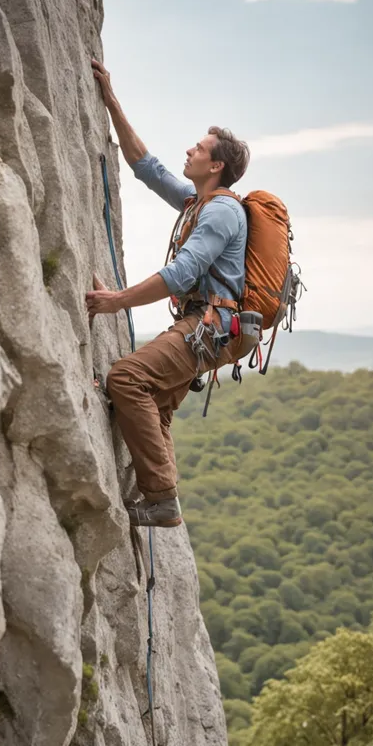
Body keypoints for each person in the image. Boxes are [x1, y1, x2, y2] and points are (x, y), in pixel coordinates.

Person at [86, 59, 250, 527]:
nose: (190, 150)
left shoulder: (220, 214)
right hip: (207, 327)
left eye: (198, 149)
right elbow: (147, 167)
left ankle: (161, 500)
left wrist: (117, 300)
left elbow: (181, 274)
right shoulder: (197, 202)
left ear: (215, 165)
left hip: (210, 326)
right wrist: (111, 102)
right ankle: (160, 497)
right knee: (154, 405)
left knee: (125, 380)